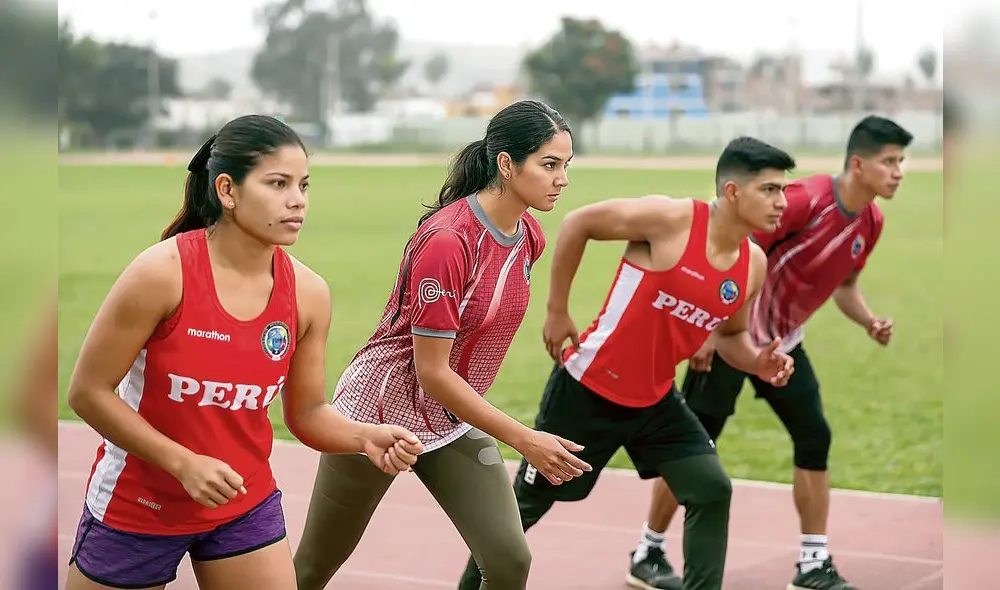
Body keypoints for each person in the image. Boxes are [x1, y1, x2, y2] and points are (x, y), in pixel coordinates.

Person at [63, 114, 424, 590]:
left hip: (243, 503)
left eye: (303, 185)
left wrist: (364, 436)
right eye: (278, 184)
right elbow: (88, 392)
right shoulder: (161, 274)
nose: (297, 200)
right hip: (140, 505)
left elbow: (307, 413)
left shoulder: (309, 294)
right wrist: (183, 463)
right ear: (227, 190)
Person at [456, 136, 798, 590]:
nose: (781, 202)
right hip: (588, 391)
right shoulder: (671, 219)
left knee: (711, 489)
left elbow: (730, 336)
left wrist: (757, 363)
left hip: (656, 400)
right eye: (770, 190)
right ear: (733, 192)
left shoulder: (752, 263)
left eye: (783, 190)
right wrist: (557, 310)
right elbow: (578, 223)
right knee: (522, 512)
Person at [292, 99, 590, 590]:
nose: (562, 179)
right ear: (507, 164)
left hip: (450, 417)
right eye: (550, 164)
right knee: (312, 569)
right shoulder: (448, 241)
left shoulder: (529, 236)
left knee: (509, 560)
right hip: (379, 412)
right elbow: (432, 371)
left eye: (566, 165)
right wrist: (525, 439)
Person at [632, 115, 914, 590]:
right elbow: (729, 249)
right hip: (728, 339)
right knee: (693, 447)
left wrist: (869, 320)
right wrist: (706, 329)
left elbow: (844, 283)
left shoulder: (872, 222)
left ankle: (812, 563)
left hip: (782, 347)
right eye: (889, 161)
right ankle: (648, 551)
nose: (899, 171)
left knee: (814, 436)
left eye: (902, 161)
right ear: (858, 164)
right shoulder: (805, 200)